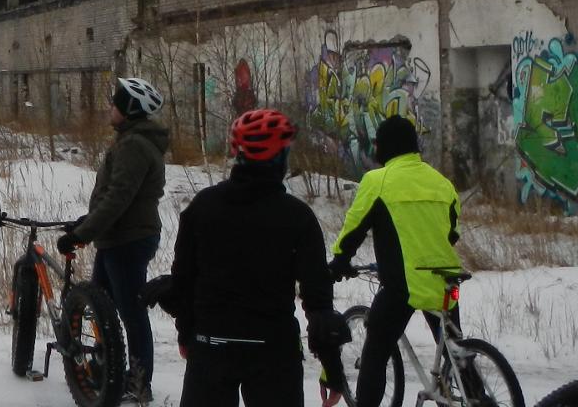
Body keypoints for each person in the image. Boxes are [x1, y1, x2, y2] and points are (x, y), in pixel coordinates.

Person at [163, 108, 347, 407]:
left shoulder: (203, 207)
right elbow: (318, 301)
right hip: (273, 350)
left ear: (238, 153)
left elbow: (184, 280)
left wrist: (186, 334)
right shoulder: (297, 217)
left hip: (211, 345)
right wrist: (332, 367)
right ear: (280, 157)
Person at [328, 115, 463, 407]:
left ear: (385, 146)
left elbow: (354, 227)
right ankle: (474, 393)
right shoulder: (442, 183)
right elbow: (452, 233)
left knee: (376, 348)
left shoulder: (379, 181)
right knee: (456, 351)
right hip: (445, 281)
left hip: (403, 284)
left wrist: (340, 261)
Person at [57, 77, 171, 402]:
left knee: (131, 314)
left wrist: (82, 234)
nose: (111, 108)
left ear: (130, 109)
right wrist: (89, 223)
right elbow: (115, 196)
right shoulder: (130, 141)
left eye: (116, 103)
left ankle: (138, 383)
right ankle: (106, 370)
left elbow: (119, 198)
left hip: (128, 241)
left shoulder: (134, 145)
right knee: (98, 306)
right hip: (116, 238)